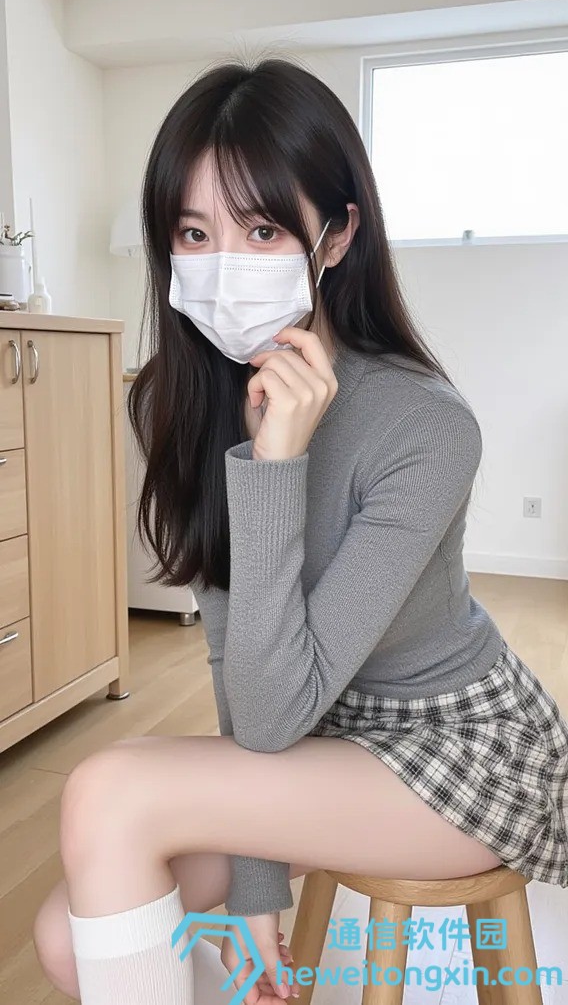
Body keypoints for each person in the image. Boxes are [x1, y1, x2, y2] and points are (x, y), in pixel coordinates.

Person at [33, 56, 568, 1005]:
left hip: (460, 746)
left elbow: (278, 712)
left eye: (262, 228)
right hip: (312, 736)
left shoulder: (427, 427)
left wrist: (277, 463)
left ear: (337, 234)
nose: (222, 263)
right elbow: (243, 673)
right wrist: (255, 888)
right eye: (194, 232)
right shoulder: (183, 404)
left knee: (108, 790)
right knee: (64, 939)